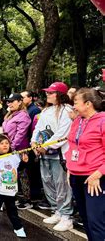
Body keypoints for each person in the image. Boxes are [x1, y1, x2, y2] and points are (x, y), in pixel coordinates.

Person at [31, 82, 74, 232]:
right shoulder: (46, 111)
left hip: (59, 155)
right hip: (44, 154)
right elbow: (38, 128)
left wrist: (46, 146)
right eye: (47, 92)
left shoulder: (67, 110)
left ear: (60, 94)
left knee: (62, 184)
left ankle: (66, 215)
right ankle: (56, 210)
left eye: (51, 92)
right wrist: (34, 142)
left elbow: (63, 133)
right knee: (48, 182)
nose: (48, 95)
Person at [65, 88, 105, 240]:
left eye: (76, 102)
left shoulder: (102, 121)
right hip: (76, 175)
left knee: (96, 221)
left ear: (88, 104)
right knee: (86, 219)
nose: (73, 106)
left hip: (94, 178)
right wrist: (69, 167)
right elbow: (72, 145)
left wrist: (99, 173)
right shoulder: (78, 121)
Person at [0, 134, 28, 238]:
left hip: (11, 191)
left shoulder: (14, 156)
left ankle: (18, 227)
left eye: (7, 143)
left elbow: (19, 168)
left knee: (12, 211)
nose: (5, 145)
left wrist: (24, 162)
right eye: (1, 143)